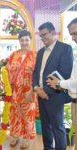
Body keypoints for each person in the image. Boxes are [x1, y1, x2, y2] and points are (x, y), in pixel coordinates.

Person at [33, 22, 73, 150]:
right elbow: (36, 73)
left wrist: (45, 90)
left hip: (55, 96)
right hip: (41, 95)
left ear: (53, 32)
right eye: (41, 36)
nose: (42, 38)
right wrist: (36, 88)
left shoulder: (65, 49)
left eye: (44, 35)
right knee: (45, 128)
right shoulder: (40, 53)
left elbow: (64, 73)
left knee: (58, 128)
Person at [47, 18, 77, 150]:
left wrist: (60, 83)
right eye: (71, 34)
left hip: (65, 95)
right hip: (74, 102)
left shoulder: (66, 49)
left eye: (75, 33)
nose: (73, 37)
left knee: (58, 127)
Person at [6, 30, 37, 149]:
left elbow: (38, 74)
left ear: (30, 40)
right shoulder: (13, 54)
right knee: (15, 114)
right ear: (19, 41)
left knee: (28, 115)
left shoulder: (35, 55)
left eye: (27, 40)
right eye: (22, 40)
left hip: (29, 90)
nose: (24, 42)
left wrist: (33, 89)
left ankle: (26, 139)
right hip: (15, 90)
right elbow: (7, 70)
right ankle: (15, 136)